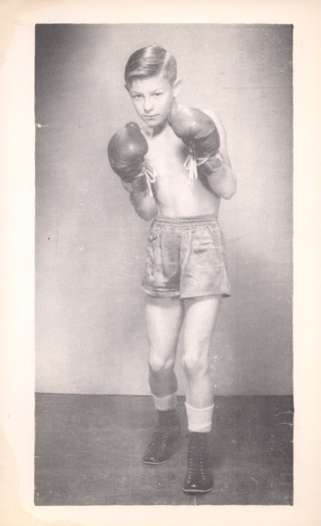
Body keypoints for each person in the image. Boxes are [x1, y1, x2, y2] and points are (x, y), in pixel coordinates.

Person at [107, 44, 236, 494]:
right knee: (159, 360)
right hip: (162, 240)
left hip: (202, 240)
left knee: (194, 358)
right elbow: (146, 211)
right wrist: (131, 180)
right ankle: (168, 426)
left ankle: (199, 454)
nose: (147, 106)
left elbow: (229, 187)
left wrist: (206, 150)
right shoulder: (137, 141)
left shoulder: (205, 120)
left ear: (175, 87)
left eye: (156, 94)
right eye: (137, 96)